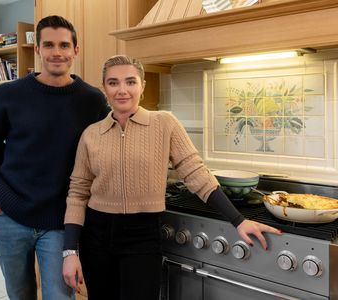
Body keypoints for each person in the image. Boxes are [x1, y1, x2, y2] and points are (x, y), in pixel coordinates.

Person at [61, 55, 282, 300]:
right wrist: (70, 251)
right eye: (113, 83)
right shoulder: (91, 134)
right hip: (96, 236)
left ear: (142, 86)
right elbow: (78, 193)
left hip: (143, 235)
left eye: (130, 82)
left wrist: (238, 220)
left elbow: (195, 172)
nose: (122, 90)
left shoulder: (164, 123)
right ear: (104, 87)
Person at [0, 15, 109, 300]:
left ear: (75, 51)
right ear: (38, 50)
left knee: (59, 295)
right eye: (49, 45)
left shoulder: (92, 100)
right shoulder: (8, 95)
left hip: (61, 222)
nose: (57, 52)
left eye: (64, 45)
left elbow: (107, 149)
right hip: (10, 216)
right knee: (19, 294)